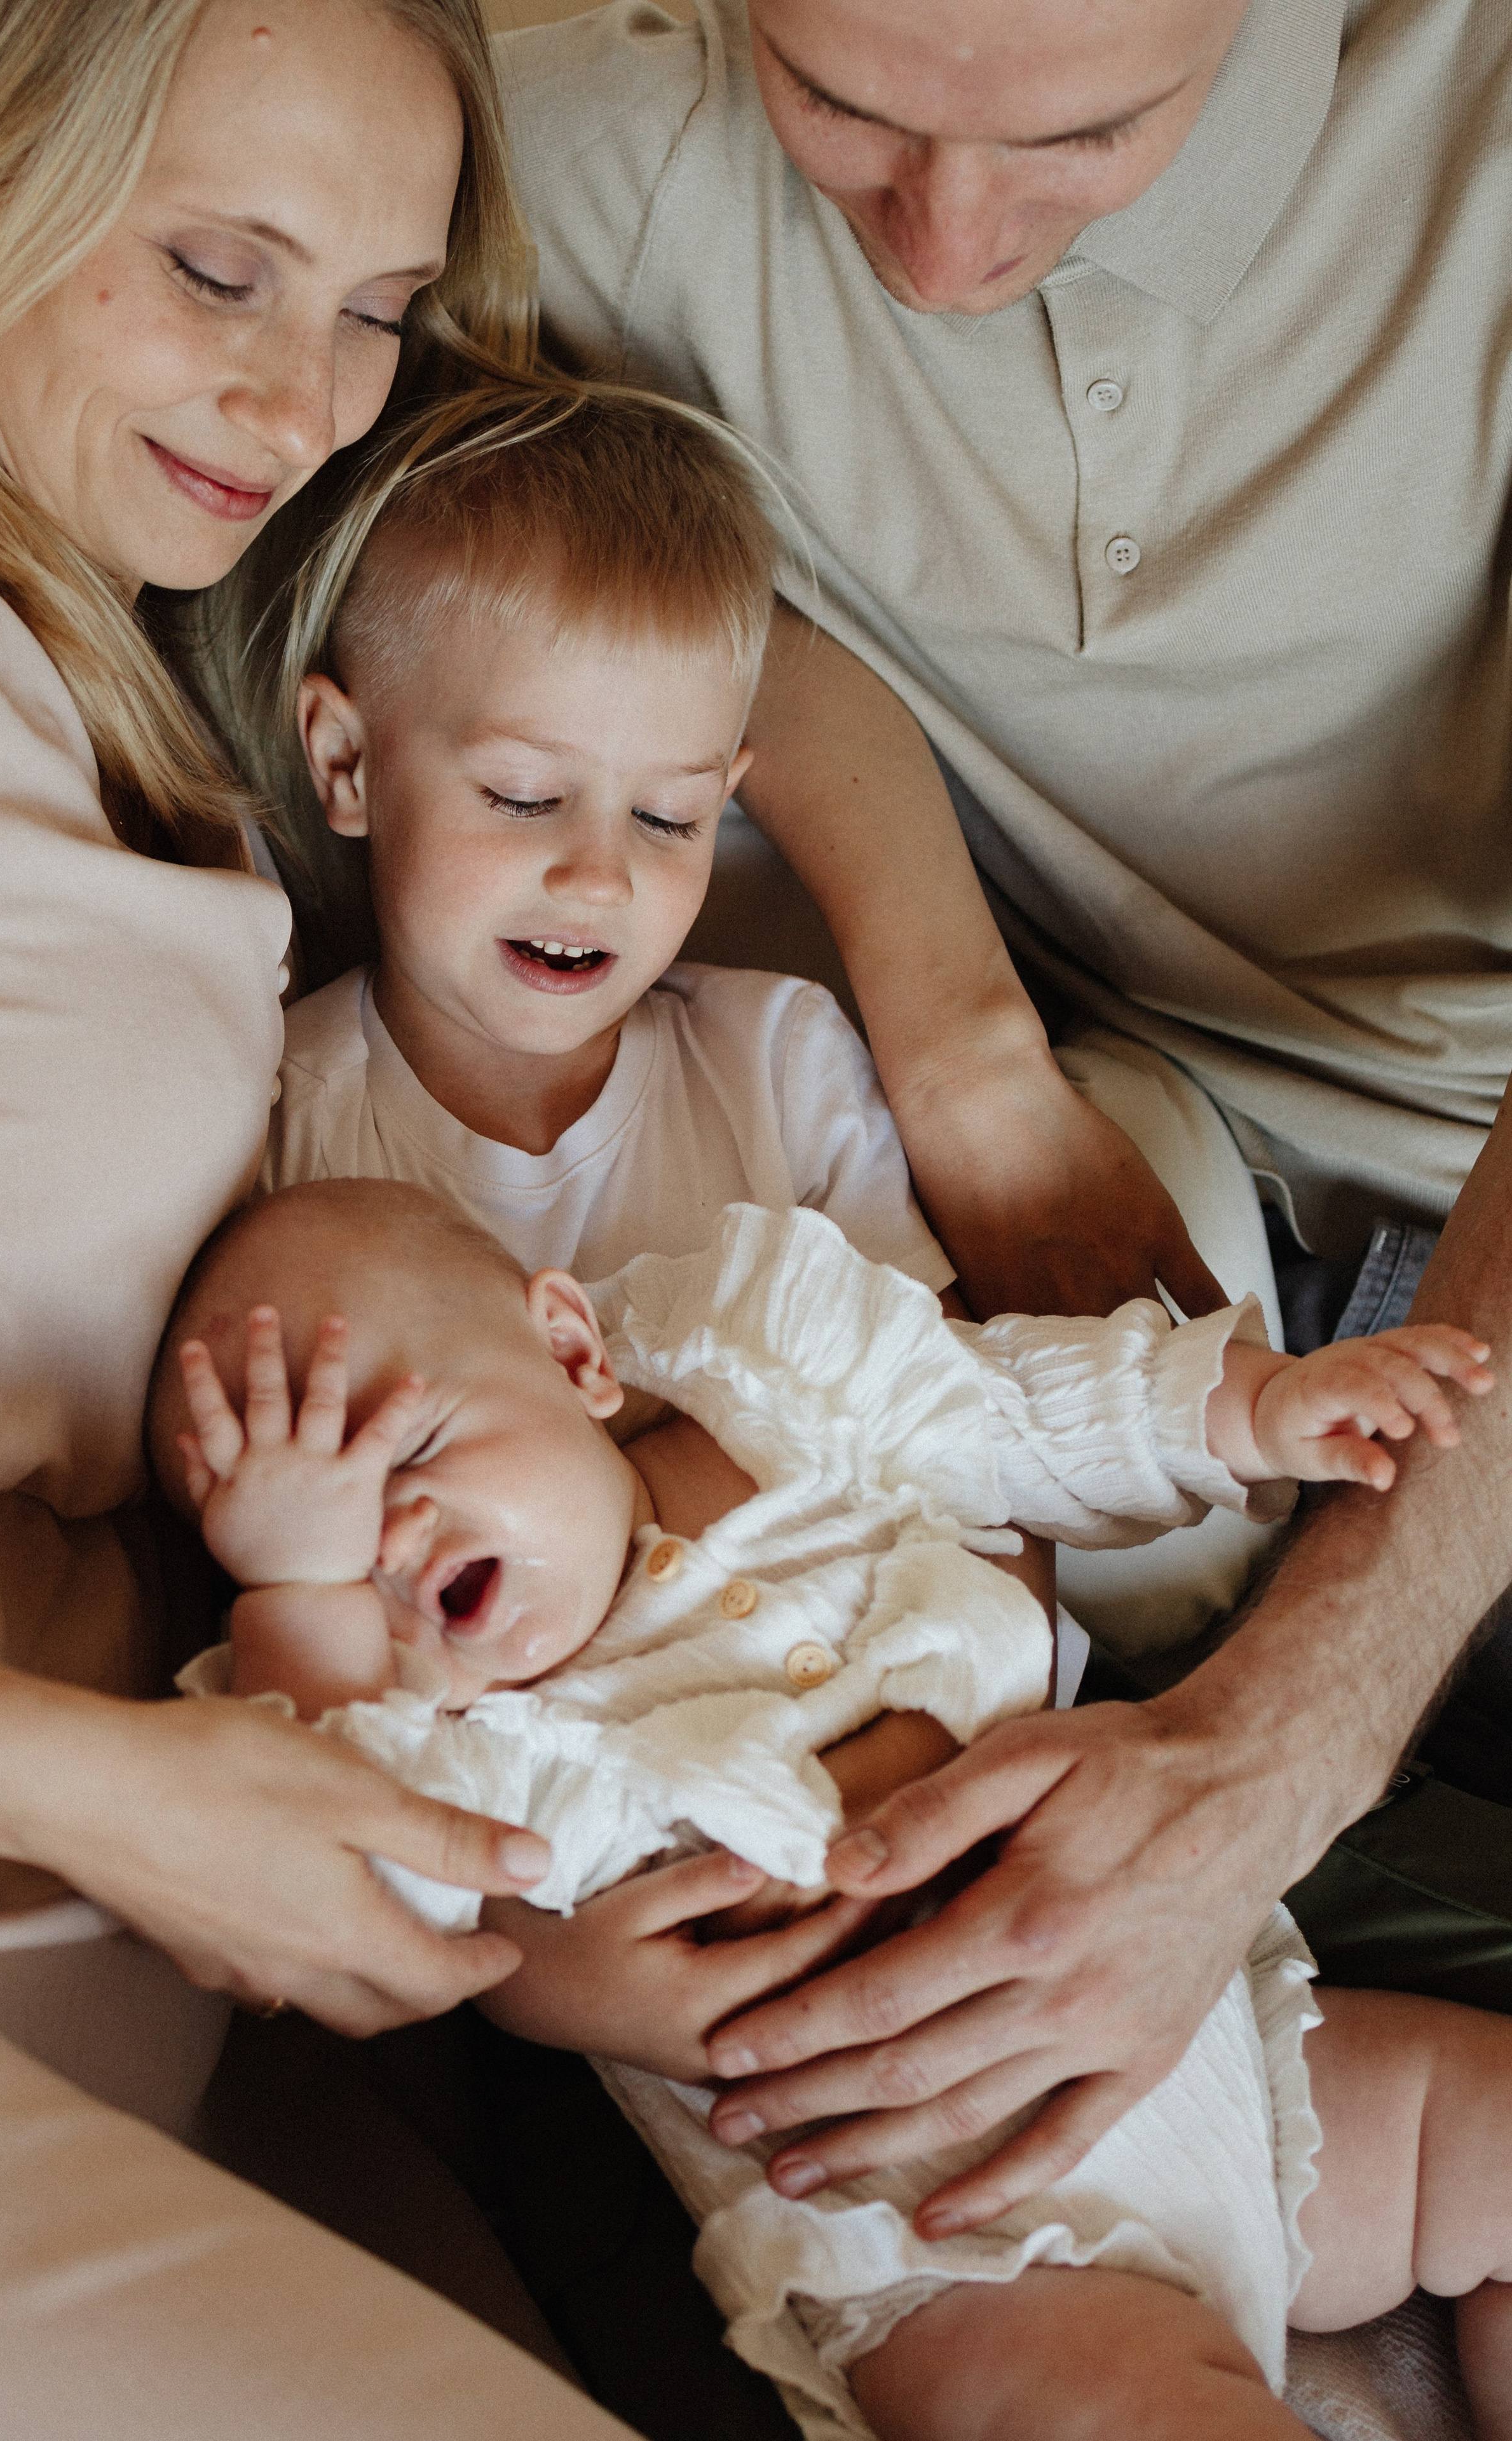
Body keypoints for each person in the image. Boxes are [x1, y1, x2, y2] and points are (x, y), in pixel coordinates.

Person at [490, 0, 1512, 2229]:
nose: (943, 252)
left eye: (1088, 131)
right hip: (1113, 1288)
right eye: (838, 105)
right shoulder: (563, 110)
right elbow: (533, 548)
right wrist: (963, 1048)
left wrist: (1283, 1752)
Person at [0, 3, 632, 2433]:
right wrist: (114, 1795)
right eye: (220, 267)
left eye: (378, 312)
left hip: (113, 1958)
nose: (310, 399)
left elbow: (653, 593)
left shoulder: (107, 650)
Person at [147, 1176, 1512, 2441]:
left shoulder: (774, 1377)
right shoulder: (477, 1746)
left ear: (571, 1350)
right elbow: (344, 1867)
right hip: (964, 2246)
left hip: (1231, 2069)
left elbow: (1005, 1406)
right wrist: (298, 1615)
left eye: (411, 1450)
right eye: (316, 1541)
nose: (382, 1543)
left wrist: (1250, 1410)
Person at [202, 368, 953, 1309]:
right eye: (524, 796)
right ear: (349, 765)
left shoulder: (782, 1074)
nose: (602, 880)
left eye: (667, 817)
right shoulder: (271, 1125)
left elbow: (944, 1402)